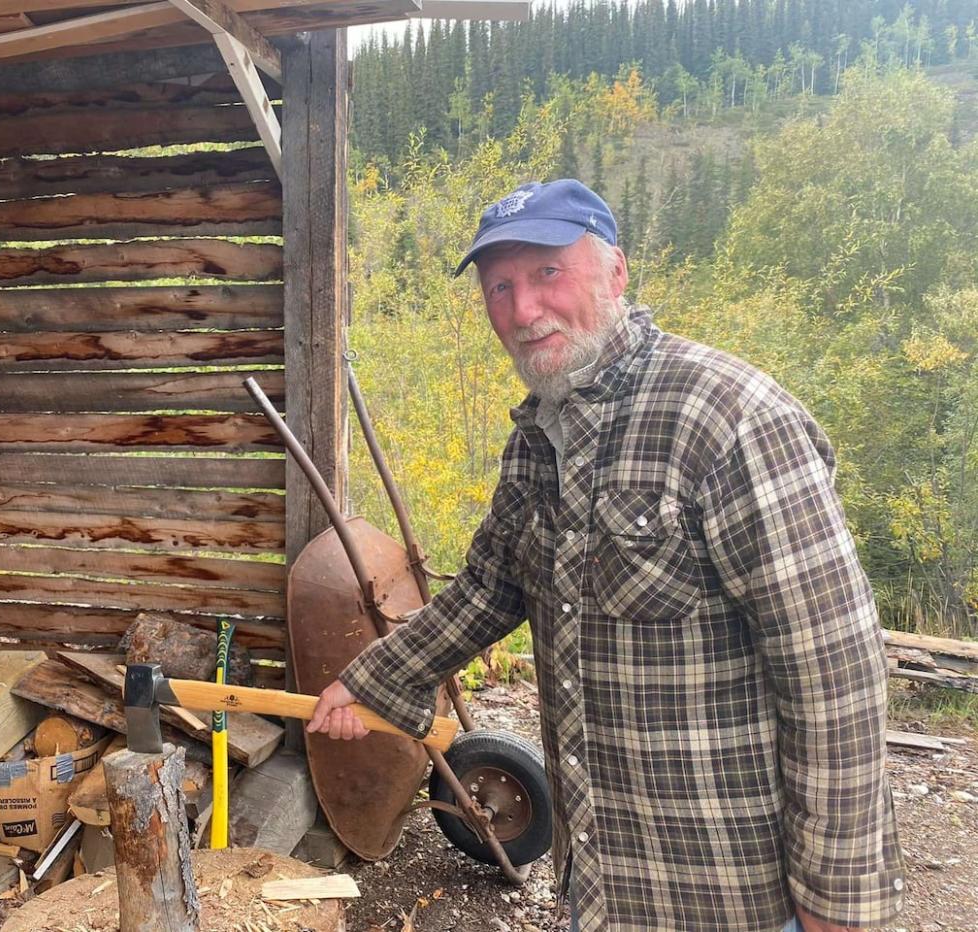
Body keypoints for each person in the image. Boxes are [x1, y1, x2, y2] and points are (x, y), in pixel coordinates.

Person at [306, 179, 905, 932]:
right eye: (500, 287)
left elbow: (835, 678)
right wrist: (373, 680)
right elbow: (489, 589)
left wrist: (839, 903)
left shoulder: (728, 419)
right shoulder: (538, 437)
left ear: (615, 271)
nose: (523, 311)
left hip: (730, 891)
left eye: (547, 273)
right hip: (603, 883)